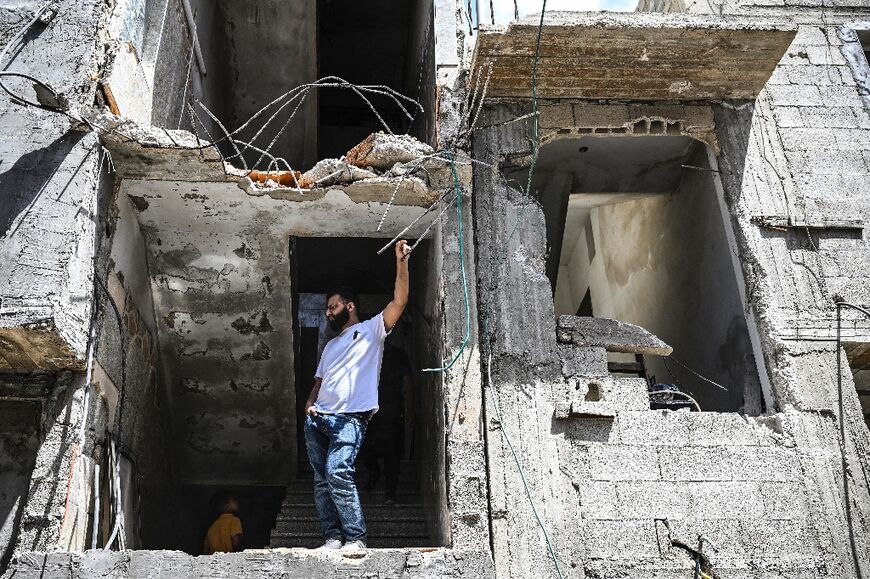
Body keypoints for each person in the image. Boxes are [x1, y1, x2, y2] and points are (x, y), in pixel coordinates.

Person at [303, 239, 411, 552]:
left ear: (350, 306)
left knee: (338, 472)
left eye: (333, 306)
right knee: (322, 481)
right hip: (318, 419)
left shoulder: (371, 330)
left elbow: (400, 301)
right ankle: (332, 537)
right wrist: (309, 406)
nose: (327, 312)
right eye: (326, 308)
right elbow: (318, 381)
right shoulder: (330, 346)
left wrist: (401, 262)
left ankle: (356, 537)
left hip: (350, 418)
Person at [362, 343, 412, 503]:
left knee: (392, 454)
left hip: (391, 412)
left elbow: (407, 383)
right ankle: (374, 472)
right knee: (365, 449)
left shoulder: (398, 355)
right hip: (368, 411)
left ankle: (390, 491)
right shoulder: (365, 354)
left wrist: (409, 411)